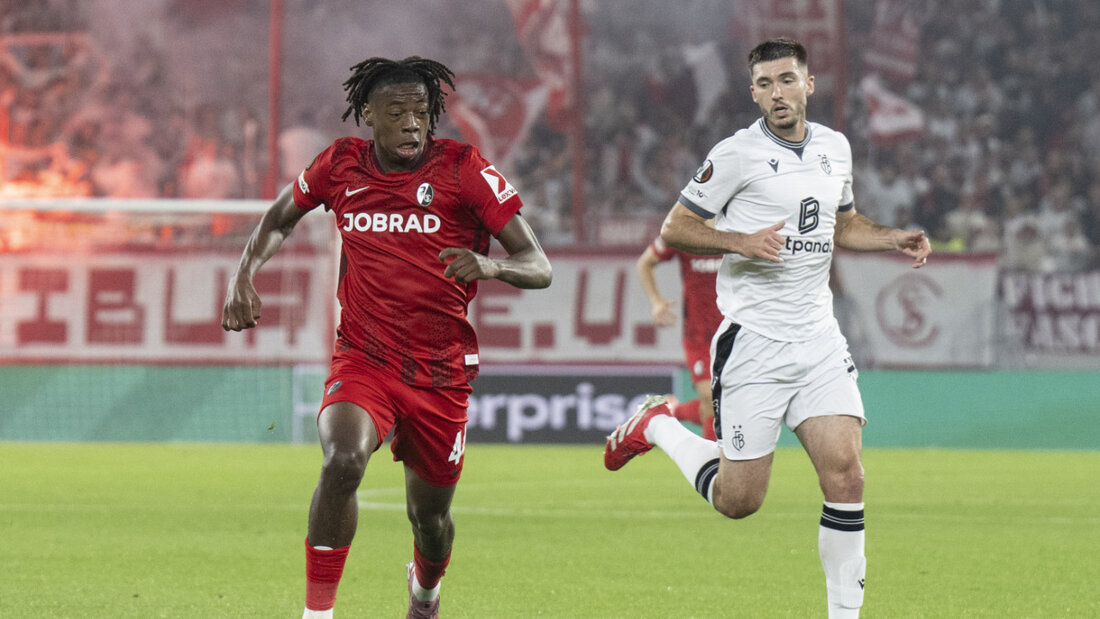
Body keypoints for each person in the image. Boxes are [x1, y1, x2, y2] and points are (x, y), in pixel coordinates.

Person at [604, 38, 931, 618]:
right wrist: (739, 240)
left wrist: (890, 238)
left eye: (786, 80)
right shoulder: (736, 154)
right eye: (764, 84)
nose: (776, 93)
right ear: (753, 92)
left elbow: (844, 223)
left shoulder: (835, 147)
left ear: (808, 84)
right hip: (754, 340)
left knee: (847, 476)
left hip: (819, 338)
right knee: (739, 502)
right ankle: (658, 425)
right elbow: (676, 228)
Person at [221, 56, 552, 619]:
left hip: (441, 372)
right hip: (364, 358)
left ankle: (424, 592)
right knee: (342, 460)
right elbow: (280, 218)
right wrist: (243, 275)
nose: (412, 125)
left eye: (422, 113)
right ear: (367, 116)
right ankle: (317, 614)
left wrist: (491, 267)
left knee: (430, 522)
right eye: (396, 113)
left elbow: (538, 265)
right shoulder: (340, 165)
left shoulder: (463, 169)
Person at [636, 234, 723, 440]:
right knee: (711, 399)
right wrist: (656, 301)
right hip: (700, 335)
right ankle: (712, 468)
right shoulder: (684, 230)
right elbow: (645, 263)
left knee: (726, 408)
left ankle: (672, 411)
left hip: (737, 332)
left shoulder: (738, 227)